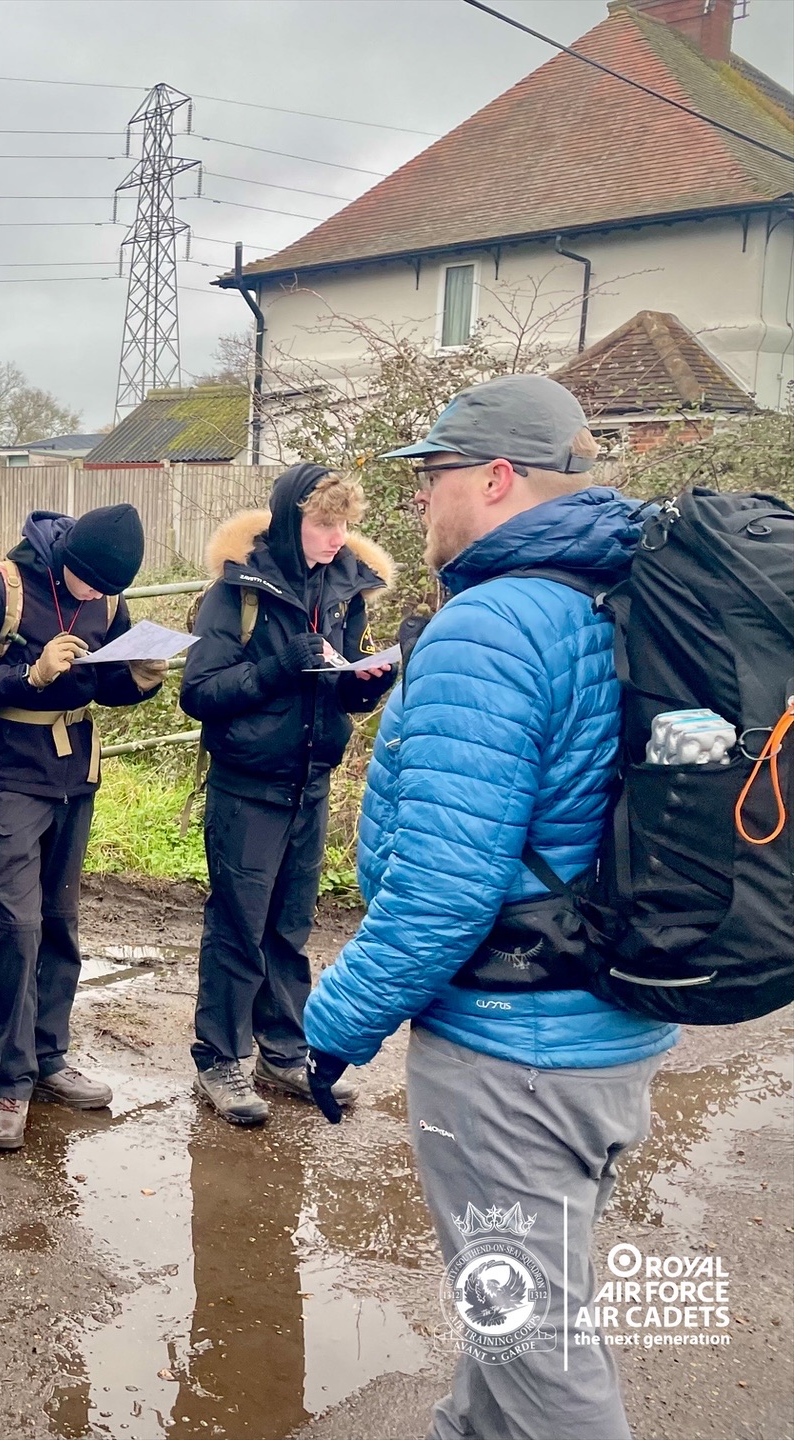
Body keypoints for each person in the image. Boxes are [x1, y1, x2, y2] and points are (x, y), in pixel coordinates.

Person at [302, 375, 678, 1440]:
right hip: (608, 1025)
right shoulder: (623, 596)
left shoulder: (494, 624)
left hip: (512, 1054)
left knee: (538, 1350)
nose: (421, 498)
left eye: (434, 474)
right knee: (512, 1310)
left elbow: (444, 889)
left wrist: (332, 1026)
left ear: (499, 477)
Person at [0, 504, 165, 1150]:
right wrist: (28, 675)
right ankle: (11, 1082)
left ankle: (50, 1059)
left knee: (61, 922)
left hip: (75, 775)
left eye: (107, 591)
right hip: (9, 773)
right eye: (90, 585)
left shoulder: (107, 595)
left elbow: (106, 682)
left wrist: (141, 680)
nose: (96, 598)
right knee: (18, 927)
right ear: (67, 559)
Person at [179, 465, 395, 1125]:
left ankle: (281, 1052)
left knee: (290, 927)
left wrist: (368, 682)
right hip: (247, 784)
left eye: (345, 524)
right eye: (325, 524)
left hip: (312, 779)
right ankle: (219, 1058)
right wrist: (276, 668)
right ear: (290, 520)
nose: (338, 537)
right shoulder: (237, 592)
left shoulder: (346, 590)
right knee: (238, 927)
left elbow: (342, 687)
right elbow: (199, 692)